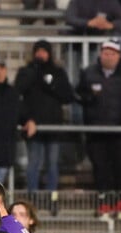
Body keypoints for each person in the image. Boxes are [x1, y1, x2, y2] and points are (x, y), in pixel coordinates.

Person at [75, 39, 121, 217]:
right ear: (100, 54)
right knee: (100, 167)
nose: (109, 56)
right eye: (106, 52)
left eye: (113, 53)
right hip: (96, 130)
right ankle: (104, 202)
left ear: (119, 56)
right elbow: (79, 94)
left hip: (120, 129)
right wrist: (89, 98)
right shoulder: (88, 73)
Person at [14, 40, 75, 214]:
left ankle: (52, 199)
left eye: (44, 51)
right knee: (33, 164)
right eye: (38, 51)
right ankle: (31, 201)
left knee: (52, 165)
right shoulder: (25, 72)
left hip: (54, 128)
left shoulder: (58, 72)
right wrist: (26, 119)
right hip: (34, 128)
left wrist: (51, 84)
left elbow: (68, 96)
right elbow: (17, 93)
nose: (41, 55)